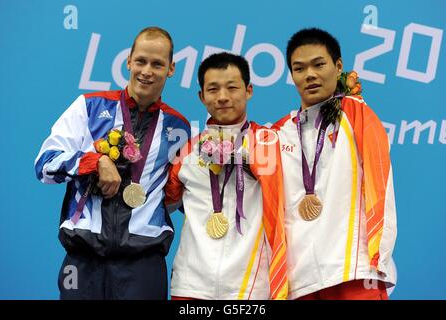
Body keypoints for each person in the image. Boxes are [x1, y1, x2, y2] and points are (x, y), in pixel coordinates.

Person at [34, 27, 190, 300]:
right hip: (83, 259)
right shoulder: (89, 106)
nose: (147, 71)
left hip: (144, 263)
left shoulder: (179, 127)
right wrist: (94, 162)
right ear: (128, 61)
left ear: (171, 68)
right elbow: (44, 165)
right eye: (141, 61)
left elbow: (178, 193)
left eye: (157, 64)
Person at [273, 28, 397, 300]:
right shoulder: (279, 132)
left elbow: (382, 184)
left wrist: (379, 256)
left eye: (319, 64)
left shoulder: (358, 115)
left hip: (354, 271)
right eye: (299, 68)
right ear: (291, 75)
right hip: (300, 280)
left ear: (338, 66)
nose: (310, 75)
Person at [164, 52, 288, 300]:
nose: (222, 97)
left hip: (251, 286)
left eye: (232, 88)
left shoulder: (271, 143)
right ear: (201, 96)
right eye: (213, 89)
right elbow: (165, 203)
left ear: (249, 90)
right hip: (190, 285)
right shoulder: (186, 152)